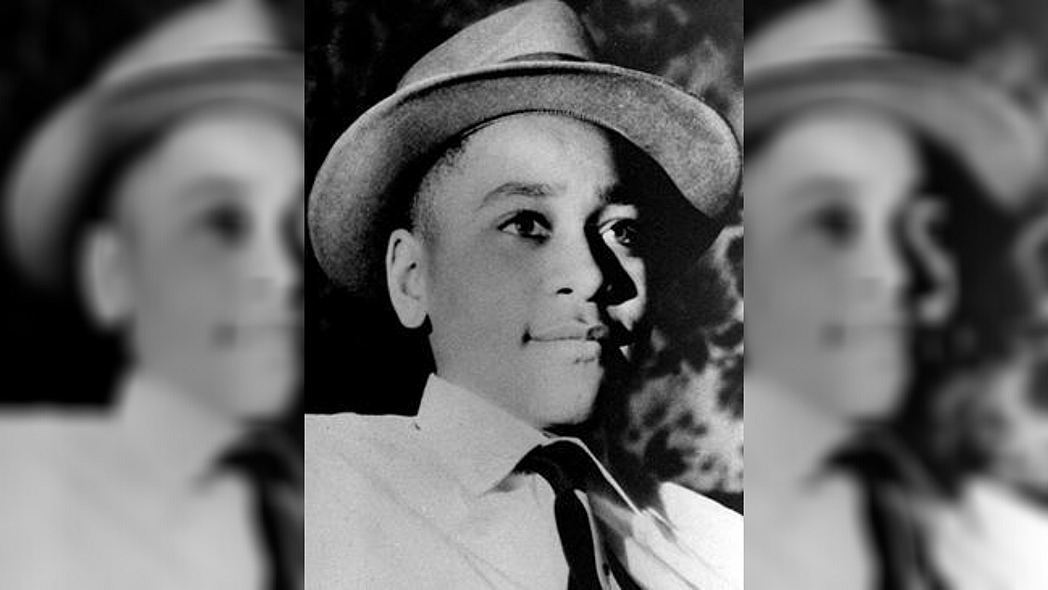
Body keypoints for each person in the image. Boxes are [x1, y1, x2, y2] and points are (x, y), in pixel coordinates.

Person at [305, 1, 742, 588]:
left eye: (622, 231)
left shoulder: (719, 550)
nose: (591, 276)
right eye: (526, 224)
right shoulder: (312, 491)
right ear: (411, 276)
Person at [0, 1, 304, 589]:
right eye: (222, 223)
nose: (280, 273)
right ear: (112, 272)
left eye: (289, 228)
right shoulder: (21, 493)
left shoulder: (323, 500)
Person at [744, 1, 1045, 588]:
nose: (899, 274)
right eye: (833, 222)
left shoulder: (990, 540)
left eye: (917, 227)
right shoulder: (684, 546)